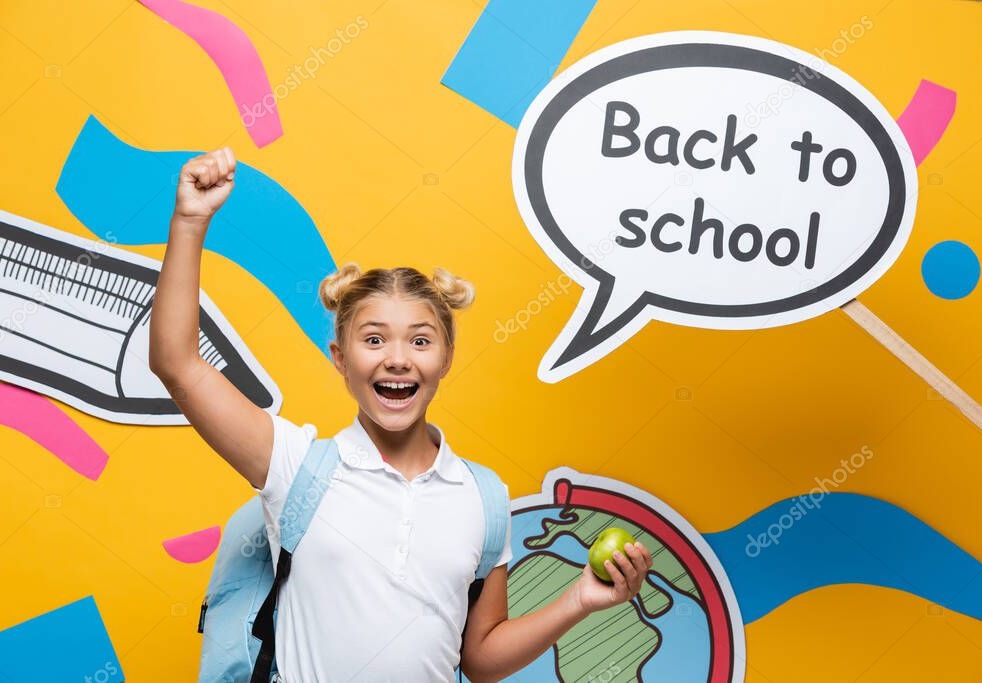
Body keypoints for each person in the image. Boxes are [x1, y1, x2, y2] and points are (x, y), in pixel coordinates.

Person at [148, 147, 654, 682]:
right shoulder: (295, 465)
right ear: (340, 359)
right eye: (373, 339)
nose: (396, 358)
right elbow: (177, 364)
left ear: (445, 359)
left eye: (420, 339)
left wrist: (579, 599)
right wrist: (189, 222)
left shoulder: (483, 497)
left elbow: (480, 660)